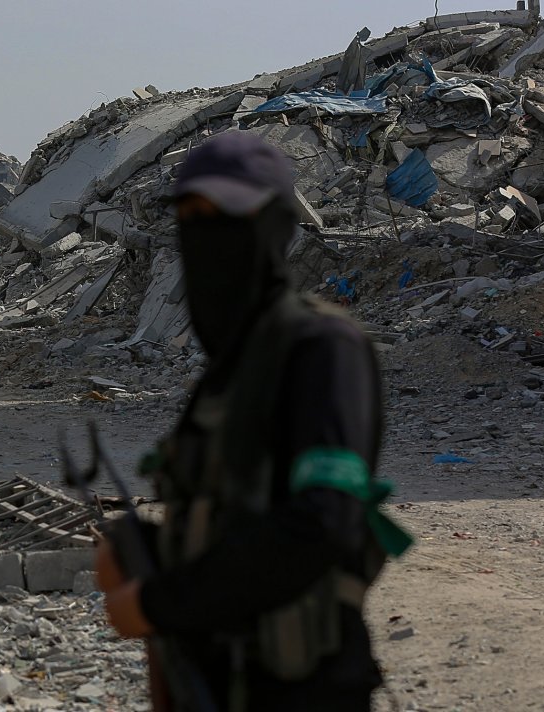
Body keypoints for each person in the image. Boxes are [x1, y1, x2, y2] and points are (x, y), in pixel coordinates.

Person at [96, 131, 412, 712]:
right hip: (215, 679)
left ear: (274, 225)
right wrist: (148, 546)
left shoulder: (322, 348)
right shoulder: (233, 368)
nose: (207, 237)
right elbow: (234, 516)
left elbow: (322, 523)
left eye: (225, 216)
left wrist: (161, 602)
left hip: (301, 691)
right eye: (191, 218)